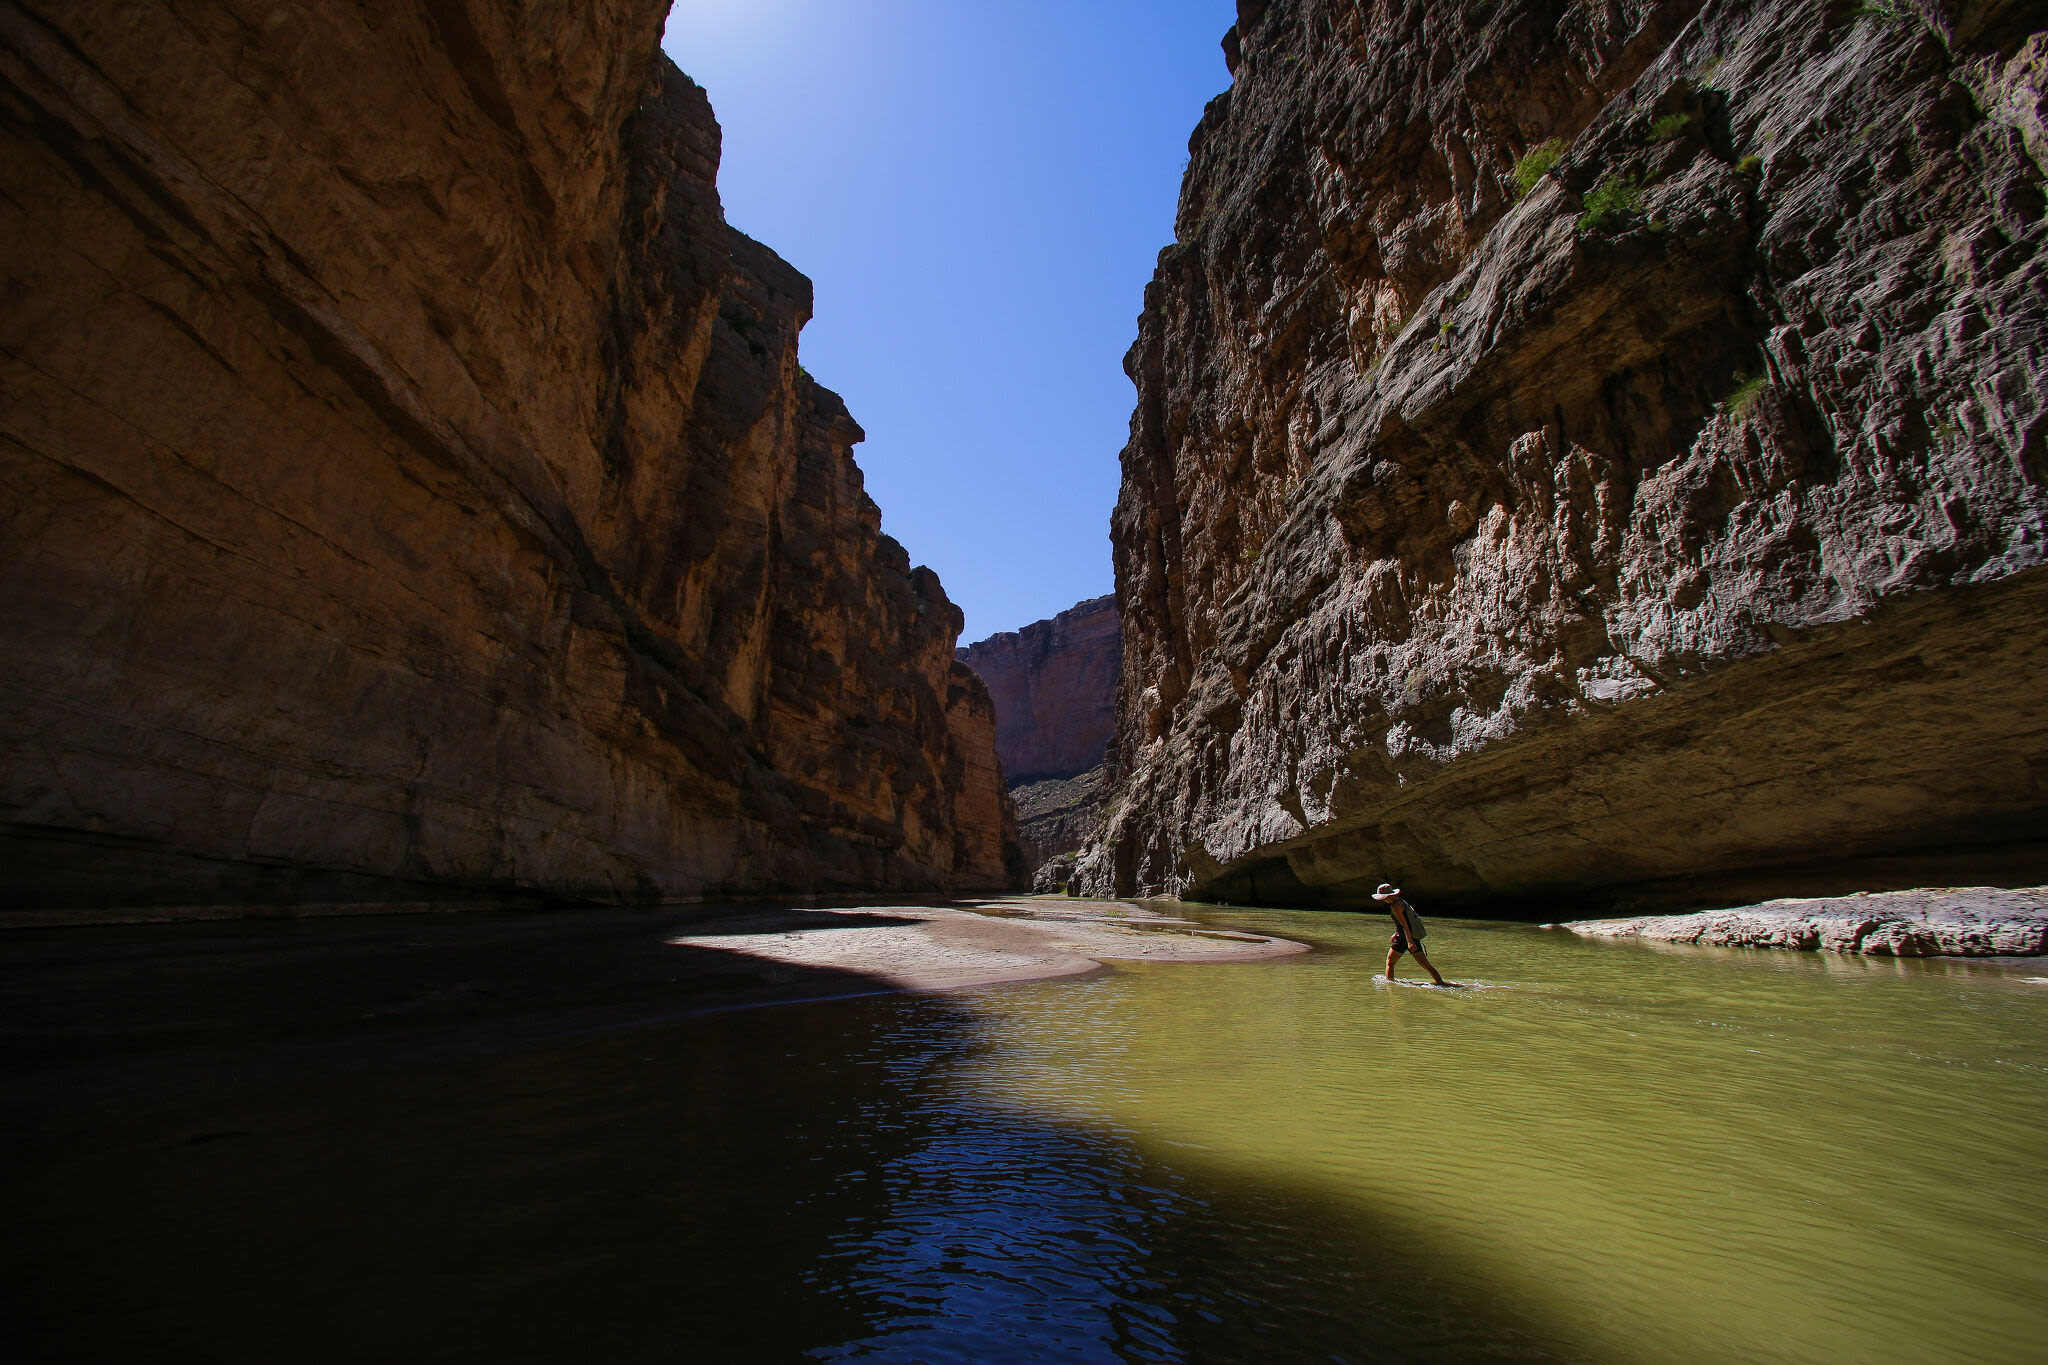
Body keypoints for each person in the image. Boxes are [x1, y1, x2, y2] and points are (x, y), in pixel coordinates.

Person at [1373, 884, 1448, 986]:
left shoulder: (1395, 906)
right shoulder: (1402, 902)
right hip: (1412, 937)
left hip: (1404, 938)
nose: (1382, 900)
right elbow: (1407, 920)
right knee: (1426, 965)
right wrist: (1397, 933)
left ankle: (1389, 987)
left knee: (1390, 963)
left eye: (1382, 898)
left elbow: (1404, 924)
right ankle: (1441, 983)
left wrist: (1409, 941)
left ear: (1387, 897)